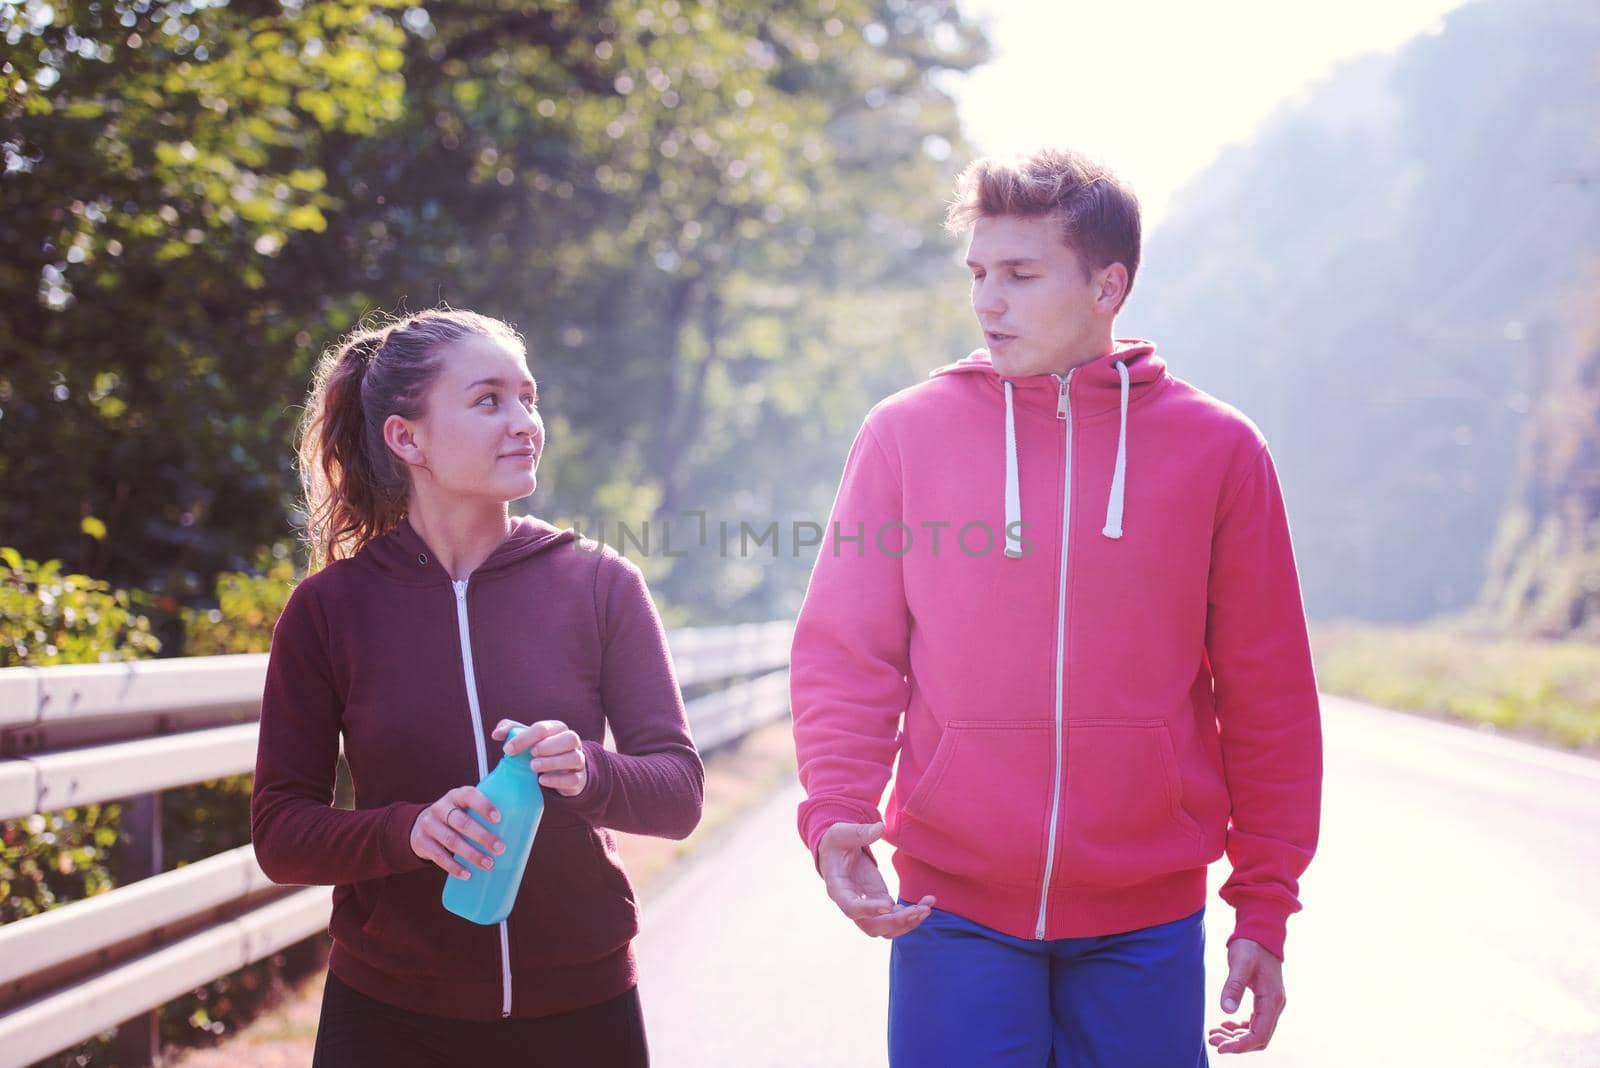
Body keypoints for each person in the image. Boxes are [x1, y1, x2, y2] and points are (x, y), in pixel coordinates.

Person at [790, 149, 1323, 1065]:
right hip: (949, 908)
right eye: (979, 275)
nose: (987, 301)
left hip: (1146, 921)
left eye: (1020, 275)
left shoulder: (1220, 450)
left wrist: (1264, 904)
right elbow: (849, 650)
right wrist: (838, 811)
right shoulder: (905, 434)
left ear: (1107, 285)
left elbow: (1267, 694)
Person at [251, 307, 703, 1067]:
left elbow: (679, 791)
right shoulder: (330, 611)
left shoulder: (600, 584)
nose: (524, 421)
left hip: (580, 1008)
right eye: (489, 400)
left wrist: (589, 770)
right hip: (389, 1015)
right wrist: (409, 831)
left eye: (527, 398)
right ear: (407, 438)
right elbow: (281, 831)